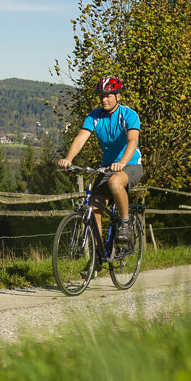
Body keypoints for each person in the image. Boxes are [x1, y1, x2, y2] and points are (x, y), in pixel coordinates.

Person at [56, 76, 143, 268]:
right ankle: (97, 255)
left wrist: (121, 162)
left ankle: (126, 222)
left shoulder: (129, 115)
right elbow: (80, 138)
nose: (104, 99)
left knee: (114, 183)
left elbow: (132, 141)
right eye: (101, 96)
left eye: (108, 96)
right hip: (108, 167)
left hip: (131, 164)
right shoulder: (94, 116)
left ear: (118, 96)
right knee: (94, 206)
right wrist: (69, 159)